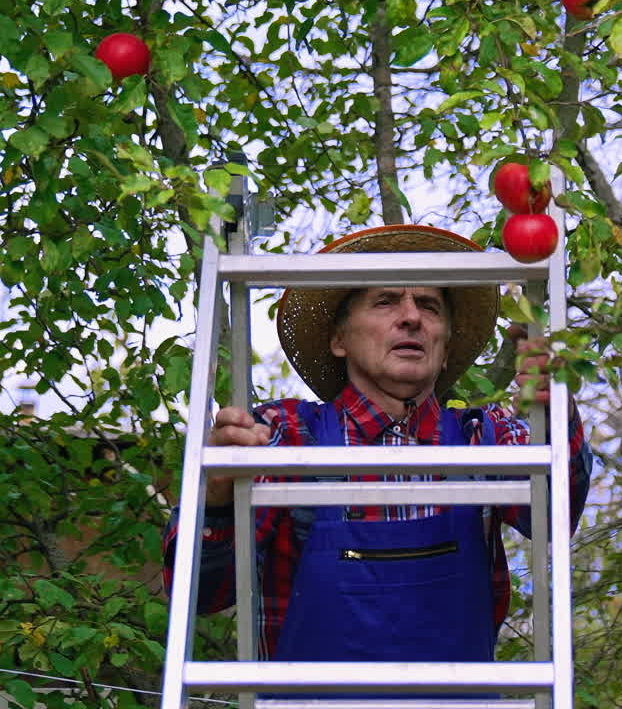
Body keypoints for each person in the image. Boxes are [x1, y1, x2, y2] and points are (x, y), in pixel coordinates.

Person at [163, 224, 592, 663]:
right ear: (339, 340)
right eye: (385, 301)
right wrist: (216, 498)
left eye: (428, 306)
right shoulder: (282, 436)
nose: (411, 318)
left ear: (445, 348)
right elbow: (200, 591)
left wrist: (556, 410)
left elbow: (557, 510)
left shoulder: (483, 437)